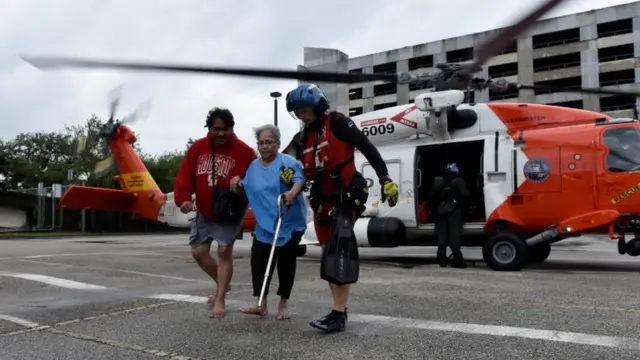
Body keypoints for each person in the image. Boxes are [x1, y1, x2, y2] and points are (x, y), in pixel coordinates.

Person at [285, 83, 400, 333]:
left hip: (347, 195)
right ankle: (339, 309)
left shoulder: (337, 123)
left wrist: (385, 178)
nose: (302, 116)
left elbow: (368, 148)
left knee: (340, 251)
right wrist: (282, 174)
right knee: (329, 253)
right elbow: (285, 162)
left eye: (305, 110)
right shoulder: (302, 138)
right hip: (321, 201)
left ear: (318, 106)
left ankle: (337, 314)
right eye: (299, 112)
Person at [173, 107, 257, 318]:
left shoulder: (245, 152)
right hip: (205, 209)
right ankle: (223, 284)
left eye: (225, 129)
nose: (221, 133)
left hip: (230, 210)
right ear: (209, 129)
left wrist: (241, 185)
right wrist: (183, 198)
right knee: (198, 252)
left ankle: (220, 299)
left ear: (232, 129)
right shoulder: (197, 148)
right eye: (216, 129)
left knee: (223, 251)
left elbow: (254, 181)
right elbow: (185, 176)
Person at [234, 124, 307, 320]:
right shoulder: (253, 167)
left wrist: (291, 193)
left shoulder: (287, 163)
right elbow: (246, 186)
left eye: (269, 142)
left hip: (289, 222)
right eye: (261, 143)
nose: (265, 146)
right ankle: (261, 304)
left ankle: (283, 304)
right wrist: (237, 184)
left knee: (285, 262)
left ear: (277, 143)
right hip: (265, 223)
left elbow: (299, 180)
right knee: (258, 261)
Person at [429, 163, 469, 268]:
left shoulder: (438, 181)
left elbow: (432, 197)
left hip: (440, 211)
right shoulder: (459, 181)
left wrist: (434, 212)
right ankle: (456, 258)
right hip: (454, 211)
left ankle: (441, 256)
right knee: (454, 234)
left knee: (441, 234)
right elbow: (465, 195)